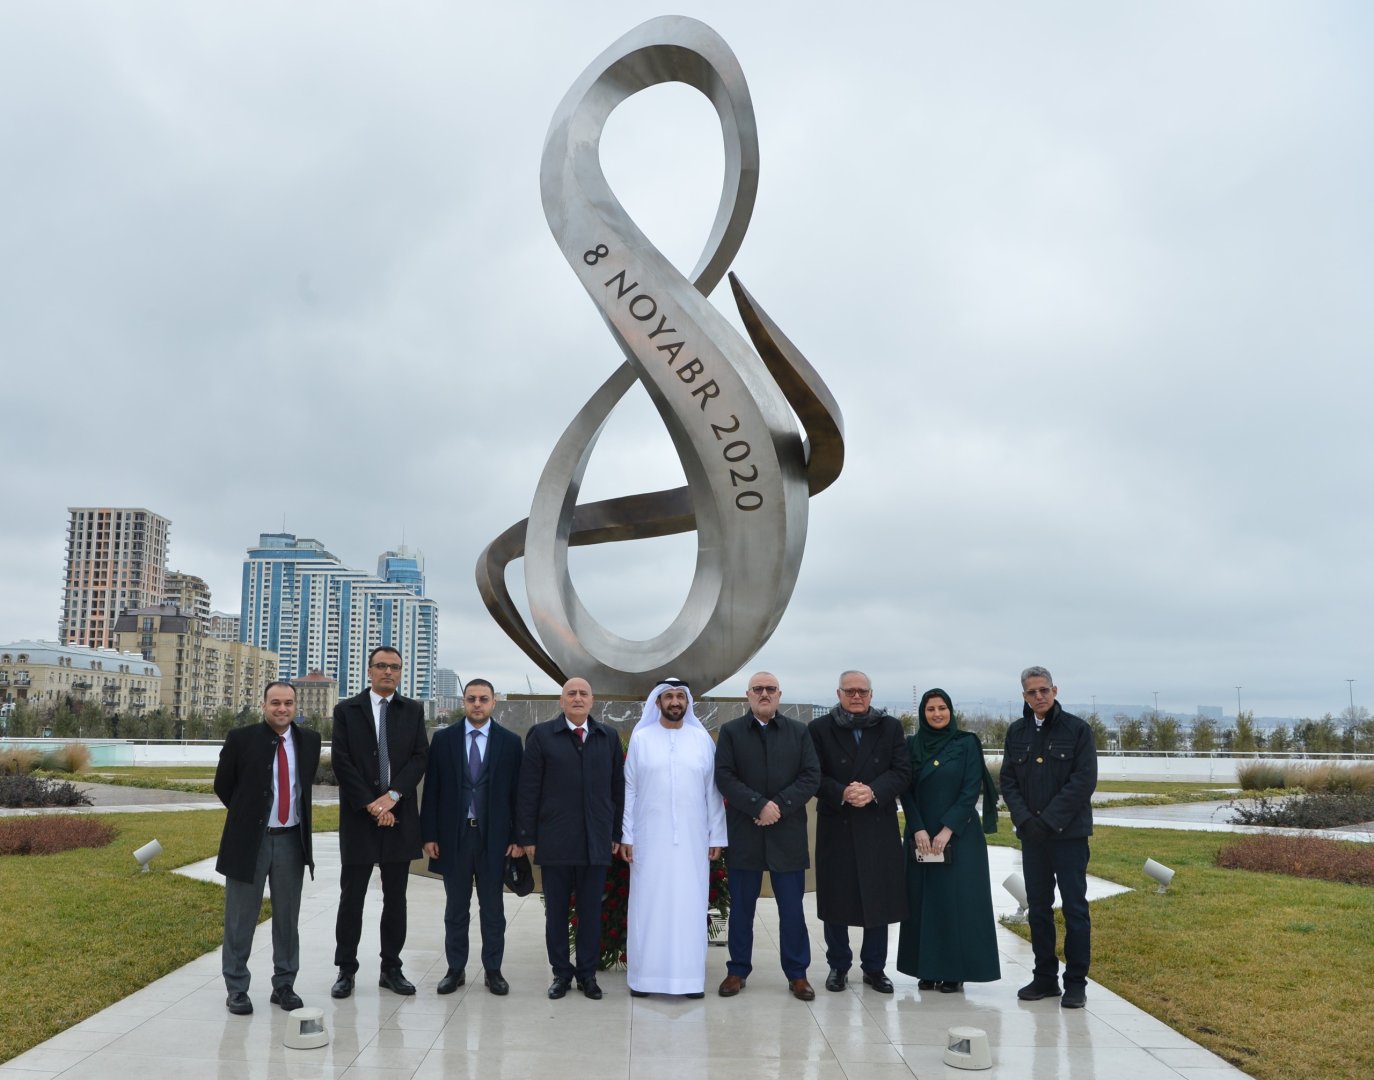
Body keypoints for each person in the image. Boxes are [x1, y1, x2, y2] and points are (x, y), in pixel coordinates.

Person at [329, 645, 430, 999]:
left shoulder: (413, 711)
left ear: (402, 673)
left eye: (396, 667)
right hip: (360, 817)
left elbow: (420, 758)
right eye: (382, 666)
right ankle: (346, 969)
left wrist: (393, 797)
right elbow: (341, 761)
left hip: (399, 818)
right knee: (351, 897)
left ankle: (391, 968)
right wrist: (372, 805)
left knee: (396, 899)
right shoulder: (346, 711)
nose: (389, 672)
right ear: (368, 670)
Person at [215, 680, 321, 1016]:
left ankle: (284, 985)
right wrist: (251, 817)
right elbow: (223, 785)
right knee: (240, 918)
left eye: (288, 703)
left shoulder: (309, 741)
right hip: (250, 842)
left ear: (295, 706)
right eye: (275, 703)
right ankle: (237, 989)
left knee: (287, 918)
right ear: (264, 705)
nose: (282, 709)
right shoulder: (241, 739)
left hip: (292, 840)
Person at [516, 676, 625, 1001]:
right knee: (557, 913)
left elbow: (617, 789)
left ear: (592, 701)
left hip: (596, 841)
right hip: (555, 839)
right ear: (561, 701)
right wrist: (527, 834)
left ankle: (587, 975)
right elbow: (528, 788)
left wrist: (617, 832)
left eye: (583, 693)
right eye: (571, 694)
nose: (577, 698)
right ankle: (561, 974)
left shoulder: (607, 737)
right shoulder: (542, 736)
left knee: (590, 912)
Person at [714, 671, 820, 1001]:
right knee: (742, 909)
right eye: (758, 689)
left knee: (791, 910)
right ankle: (737, 970)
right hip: (745, 833)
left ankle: (797, 974)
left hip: (786, 835)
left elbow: (810, 776)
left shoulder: (798, 733)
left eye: (770, 689)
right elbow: (724, 776)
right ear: (748, 695)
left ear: (779, 695)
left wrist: (779, 806)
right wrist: (758, 806)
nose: (764, 693)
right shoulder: (731, 733)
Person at [999, 665, 1098, 1009]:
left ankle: (1075, 983)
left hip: (1069, 837)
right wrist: (1026, 820)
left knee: (1074, 909)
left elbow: (1083, 782)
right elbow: (1008, 781)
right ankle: (1044, 978)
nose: (1038, 696)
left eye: (1044, 690)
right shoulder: (1016, 732)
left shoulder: (1077, 730)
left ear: (1055, 690)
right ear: (1023, 696)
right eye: (1031, 692)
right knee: (1038, 909)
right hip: (1032, 837)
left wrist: (1049, 821)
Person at [621, 679, 727, 999]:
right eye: (668, 696)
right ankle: (644, 979)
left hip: (693, 841)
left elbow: (713, 791)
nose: (675, 701)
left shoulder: (701, 740)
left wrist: (716, 836)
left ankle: (689, 980)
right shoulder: (641, 739)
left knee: (689, 906)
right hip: (649, 840)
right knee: (648, 907)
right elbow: (630, 790)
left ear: (687, 703)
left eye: (680, 696)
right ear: (658, 702)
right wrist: (626, 834)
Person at [809, 670, 911, 993]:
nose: (856, 696)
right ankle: (838, 965)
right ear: (838, 693)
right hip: (836, 823)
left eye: (862, 691)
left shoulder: (890, 727)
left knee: (877, 897)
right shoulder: (819, 729)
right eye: (850, 691)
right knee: (836, 898)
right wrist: (842, 792)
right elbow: (813, 774)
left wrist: (873, 791)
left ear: (871, 694)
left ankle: (875, 968)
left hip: (876, 823)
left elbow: (902, 771)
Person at [420, 678, 523, 996]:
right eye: (471, 699)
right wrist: (430, 834)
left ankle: (493, 970)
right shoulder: (444, 740)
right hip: (455, 837)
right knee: (456, 908)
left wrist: (518, 836)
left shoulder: (509, 742)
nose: (477, 704)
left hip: (494, 839)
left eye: (483, 699)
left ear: (494, 703)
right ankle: (455, 969)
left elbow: (519, 793)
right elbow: (433, 789)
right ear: (463, 702)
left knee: (493, 908)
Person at [895, 688, 1001, 992]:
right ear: (923, 714)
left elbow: (971, 789)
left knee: (957, 903)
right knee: (923, 902)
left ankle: (955, 971)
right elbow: (906, 790)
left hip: (960, 835)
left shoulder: (966, 743)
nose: (937, 714)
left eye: (942, 708)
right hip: (920, 836)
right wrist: (917, 829)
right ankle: (925, 969)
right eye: (930, 709)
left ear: (951, 711)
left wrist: (946, 830)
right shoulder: (911, 745)